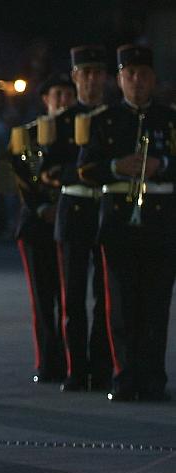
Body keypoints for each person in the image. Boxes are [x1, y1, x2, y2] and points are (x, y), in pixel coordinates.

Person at [77, 44, 176, 402]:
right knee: (120, 304)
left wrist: (162, 166)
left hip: (161, 219)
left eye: (143, 74)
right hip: (118, 219)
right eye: (130, 74)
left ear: (153, 79)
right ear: (119, 80)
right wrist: (116, 166)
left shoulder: (169, 119)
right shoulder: (103, 119)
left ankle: (152, 378)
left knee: (156, 303)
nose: (137, 81)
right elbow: (85, 168)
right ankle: (124, 376)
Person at [40, 46, 111, 392]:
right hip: (75, 209)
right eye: (85, 74)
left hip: (106, 209)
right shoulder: (61, 121)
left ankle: (102, 365)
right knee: (73, 296)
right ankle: (76, 368)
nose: (91, 80)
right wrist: (85, 172)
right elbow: (48, 171)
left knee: (106, 296)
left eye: (97, 73)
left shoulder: (115, 117)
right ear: (75, 77)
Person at [9, 73, 76, 385]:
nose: (63, 101)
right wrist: (41, 208)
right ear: (46, 100)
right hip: (36, 225)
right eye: (57, 94)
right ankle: (48, 361)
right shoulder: (28, 133)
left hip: (69, 220)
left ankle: (72, 360)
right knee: (42, 297)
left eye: (68, 94)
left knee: (69, 297)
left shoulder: (80, 132)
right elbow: (19, 176)